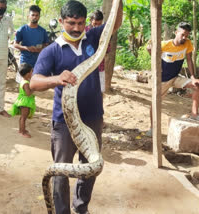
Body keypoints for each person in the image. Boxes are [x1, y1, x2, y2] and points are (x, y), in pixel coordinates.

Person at [30, 1, 123, 214]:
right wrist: (56, 78)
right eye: (71, 23)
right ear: (62, 21)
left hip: (93, 118)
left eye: (81, 23)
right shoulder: (52, 51)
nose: (76, 28)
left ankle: (81, 207)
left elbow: (115, 22)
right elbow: (34, 83)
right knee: (61, 171)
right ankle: (62, 211)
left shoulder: (92, 38)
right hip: (64, 122)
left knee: (89, 168)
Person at [146, 22, 199, 137]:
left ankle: (194, 115)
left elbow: (189, 60)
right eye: (183, 34)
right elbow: (154, 57)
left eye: (187, 35)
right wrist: (150, 51)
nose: (184, 37)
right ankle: (152, 128)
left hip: (175, 77)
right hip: (162, 79)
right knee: (155, 103)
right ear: (176, 32)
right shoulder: (164, 45)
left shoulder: (187, 44)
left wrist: (193, 77)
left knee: (197, 86)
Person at [13, 5, 49, 83]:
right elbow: (15, 44)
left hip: (37, 61)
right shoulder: (22, 29)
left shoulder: (42, 31)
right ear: (28, 16)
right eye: (32, 15)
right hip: (25, 61)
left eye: (37, 15)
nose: (34, 17)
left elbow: (46, 45)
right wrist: (27, 48)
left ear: (39, 17)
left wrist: (41, 49)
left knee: (34, 84)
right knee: (24, 84)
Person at [8, 63, 35, 138]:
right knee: (24, 117)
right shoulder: (26, 83)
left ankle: (21, 130)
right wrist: (34, 88)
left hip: (24, 100)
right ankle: (22, 132)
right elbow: (28, 93)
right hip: (25, 102)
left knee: (23, 117)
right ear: (27, 74)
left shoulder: (24, 80)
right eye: (31, 71)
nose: (32, 73)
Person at [85, 9, 107, 93]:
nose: (96, 27)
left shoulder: (104, 33)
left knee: (100, 91)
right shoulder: (84, 31)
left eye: (99, 24)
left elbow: (107, 49)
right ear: (91, 21)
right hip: (86, 65)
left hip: (99, 66)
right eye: (95, 24)